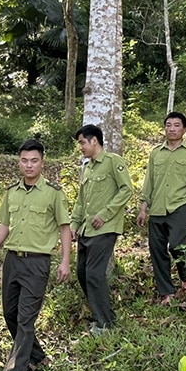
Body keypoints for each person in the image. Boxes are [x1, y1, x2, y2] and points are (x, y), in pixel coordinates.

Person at [0, 139, 71, 371]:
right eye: (24, 160)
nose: (29, 165)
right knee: (10, 313)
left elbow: (65, 228)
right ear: (18, 162)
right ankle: (38, 356)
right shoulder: (12, 192)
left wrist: (65, 261)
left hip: (37, 262)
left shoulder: (53, 193)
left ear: (42, 162)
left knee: (25, 318)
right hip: (12, 260)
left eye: (34, 160)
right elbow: (5, 226)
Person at [136, 112, 186, 306]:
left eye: (176, 125)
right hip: (158, 208)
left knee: (177, 245)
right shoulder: (156, 153)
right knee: (157, 250)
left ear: (184, 130)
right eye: (168, 125)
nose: (172, 129)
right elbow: (149, 183)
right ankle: (167, 292)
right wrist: (143, 208)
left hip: (180, 206)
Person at [70, 124, 133, 334]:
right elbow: (81, 201)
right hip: (86, 230)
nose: (80, 147)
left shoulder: (113, 161)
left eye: (82, 142)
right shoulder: (87, 167)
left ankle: (104, 324)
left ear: (94, 140)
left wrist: (105, 214)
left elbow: (126, 190)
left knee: (94, 274)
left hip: (105, 228)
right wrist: (74, 224)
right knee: (82, 272)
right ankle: (101, 313)